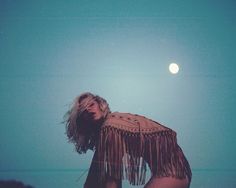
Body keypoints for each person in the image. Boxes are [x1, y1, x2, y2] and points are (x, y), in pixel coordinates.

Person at [64, 92, 192, 188]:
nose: (89, 109)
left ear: (100, 104)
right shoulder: (109, 129)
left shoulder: (110, 126)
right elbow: (100, 167)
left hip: (173, 170)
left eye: (91, 105)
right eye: (84, 110)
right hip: (175, 170)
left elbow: (113, 176)